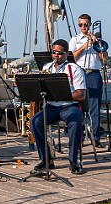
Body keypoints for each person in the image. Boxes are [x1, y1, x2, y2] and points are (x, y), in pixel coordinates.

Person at [30, 39, 86, 175]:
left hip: (69, 106)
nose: (56, 56)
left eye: (60, 53)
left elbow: (81, 95)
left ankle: (73, 161)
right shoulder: (46, 68)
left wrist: (62, 93)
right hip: (51, 107)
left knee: (75, 123)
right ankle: (46, 159)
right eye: (54, 52)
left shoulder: (75, 69)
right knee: (35, 121)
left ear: (67, 54)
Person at [69, 13, 108, 148]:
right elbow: (71, 57)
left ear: (90, 25)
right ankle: (78, 137)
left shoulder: (97, 40)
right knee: (78, 106)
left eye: (86, 24)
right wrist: (84, 46)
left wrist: (96, 44)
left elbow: (104, 59)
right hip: (80, 73)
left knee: (95, 107)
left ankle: (95, 137)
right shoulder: (75, 40)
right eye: (81, 25)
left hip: (94, 74)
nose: (83, 27)